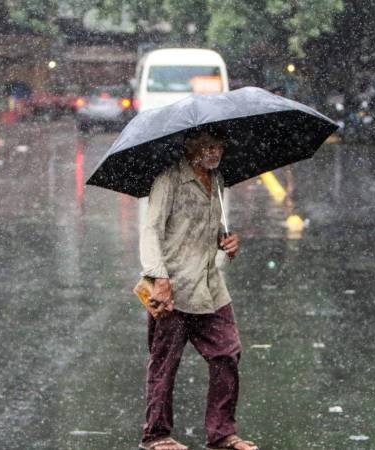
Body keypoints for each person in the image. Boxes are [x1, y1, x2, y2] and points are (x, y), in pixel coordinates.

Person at [139, 128, 258, 450]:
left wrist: (226, 240)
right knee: (164, 363)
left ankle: (221, 434)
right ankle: (156, 435)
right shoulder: (169, 179)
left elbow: (208, 227)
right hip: (173, 287)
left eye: (218, 146)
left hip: (210, 287)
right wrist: (158, 278)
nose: (214, 152)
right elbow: (151, 230)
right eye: (207, 146)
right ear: (189, 145)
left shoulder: (217, 181)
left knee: (227, 354)